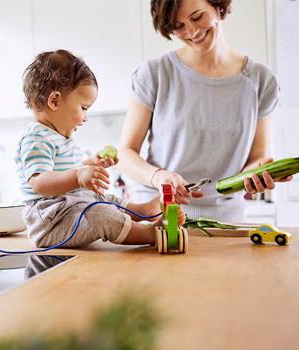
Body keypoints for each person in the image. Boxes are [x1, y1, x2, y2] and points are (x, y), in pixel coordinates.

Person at [118, 0, 292, 223]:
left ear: (219, 6)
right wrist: (158, 177)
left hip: (226, 223)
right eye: (178, 26)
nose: (192, 32)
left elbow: (256, 157)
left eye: (197, 17)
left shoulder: (261, 80)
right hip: (158, 219)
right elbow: (124, 154)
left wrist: (258, 172)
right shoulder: (154, 73)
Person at [15, 49, 184, 249]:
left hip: (69, 205)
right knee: (100, 216)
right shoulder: (36, 138)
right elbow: (39, 182)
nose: (85, 117)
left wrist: (89, 165)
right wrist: (79, 176)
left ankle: (142, 210)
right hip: (50, 220)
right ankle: (151, 234)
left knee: (105, 200)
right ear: (55, 101)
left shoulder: (59, 136)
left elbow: (64, 169)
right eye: (83, 108)